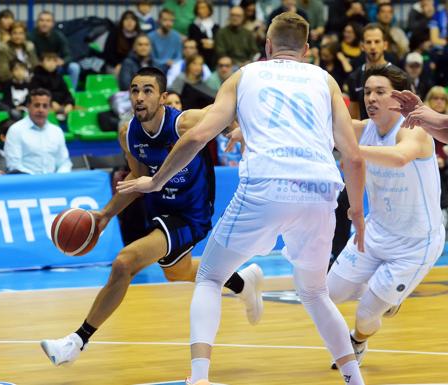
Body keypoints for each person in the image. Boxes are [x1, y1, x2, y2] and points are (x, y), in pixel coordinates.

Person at [117, 13, 366, 385]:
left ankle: (198, 378)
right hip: (321, 192)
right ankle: (354, 378)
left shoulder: (246, 74)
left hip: (266, 186)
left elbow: (197, 135)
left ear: (267, 46)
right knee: (315, 292)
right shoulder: (325, 80)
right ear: (307, 50)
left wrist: (154, 181)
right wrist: (358, 213)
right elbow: (354, 156)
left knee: (209, 276)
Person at [40, 67, 265, 367]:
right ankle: (242, 283)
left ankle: (76, 341)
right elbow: (139, 177)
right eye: (134, 90)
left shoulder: (185, 123)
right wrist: (105, 214)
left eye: (148, 90)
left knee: (124, 262)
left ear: (162, 98)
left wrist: (238, 128)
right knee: (177, 272)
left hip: (191, 213)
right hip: (160, 209)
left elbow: (226, 110)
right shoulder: (128, 133)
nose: (139, 97)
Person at [328, 65, 445, 368]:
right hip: (376, 231)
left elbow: (400, 157)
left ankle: (358, 340)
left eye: (380, 92)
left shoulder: (415, 130)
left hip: (416, 243)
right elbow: (320, 128)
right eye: (367, 92)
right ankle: (385, 295)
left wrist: (353, 150)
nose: (371, 98)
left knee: (366, 315)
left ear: (401, 98)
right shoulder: (364, 129)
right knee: (330, 292)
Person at [4, 88, 72, 175]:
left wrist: (58, 178)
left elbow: (64, 162)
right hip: (27, 184)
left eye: (45, 106)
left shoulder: (57, 131)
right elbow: (14, 165)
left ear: (49, 108)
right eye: (37, 105)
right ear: (28, 106)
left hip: (53, 183)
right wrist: (38, 180)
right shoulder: (16, 130)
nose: (41, 110)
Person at [29, 11, 80, 91]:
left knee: (74, 67)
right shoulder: (31, 36)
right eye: (42, 20)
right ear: (37, 22)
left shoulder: (58, 35)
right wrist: (41, 63)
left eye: (48, 21)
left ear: (53, 23)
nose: (44, 23)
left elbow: (68, 55)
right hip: (39, 66)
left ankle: (71, 93)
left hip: (56, 65)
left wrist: (62, 61)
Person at [29, 52, 74, 119]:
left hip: (61, 105)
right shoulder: (36, 78)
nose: (51, 63)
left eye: (54, 61)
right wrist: (50, 102)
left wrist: (69, 103)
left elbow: (67, 93)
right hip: (45, 106)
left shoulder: (59, 77)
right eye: (48, 60)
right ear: (41, 63)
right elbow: (37, 95)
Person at [188, 0, 219, 69]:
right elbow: (192, 42)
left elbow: (219, 42)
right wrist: (202, 42)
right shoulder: (193, 26)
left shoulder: (216, 27)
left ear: (209, 10)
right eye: (199, 8)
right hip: (199, 57)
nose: (201, 10)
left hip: (214, 58)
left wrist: (214, 44)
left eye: (204, 8)